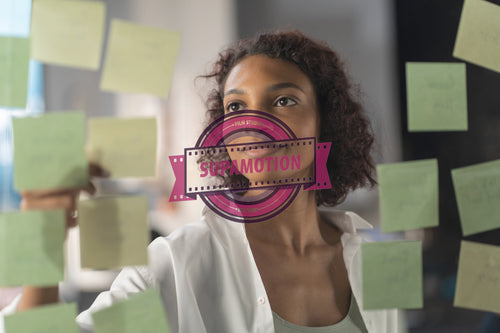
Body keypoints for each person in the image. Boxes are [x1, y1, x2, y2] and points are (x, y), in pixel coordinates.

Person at [1, 31, 407, 332]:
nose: (254, 122)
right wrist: (42, 235)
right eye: (236, 106)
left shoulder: (369, 263)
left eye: (283, 101)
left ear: (325, 123)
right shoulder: (179, 267)